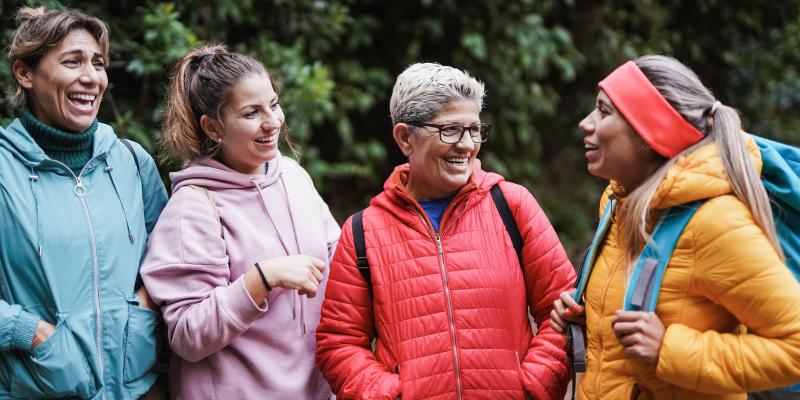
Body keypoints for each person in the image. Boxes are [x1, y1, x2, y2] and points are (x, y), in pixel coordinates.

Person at [316, 62, 576, 399]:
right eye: (450, 130)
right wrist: (389, 395)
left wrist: (532, 386)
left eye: (475, 129)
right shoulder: (363, 231)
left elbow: (565, 306)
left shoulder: (512, 205)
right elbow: (339, 343)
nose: (467, 145)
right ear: (405, 138)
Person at [551, 55, 800, 399]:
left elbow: (795, 347)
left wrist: (669, 349)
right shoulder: (618, 205)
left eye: (604, 112)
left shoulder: (714, 222)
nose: (585, 123)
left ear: (649, 134)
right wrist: (592, 319)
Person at [140, 44, 340, 399]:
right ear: (212, 127)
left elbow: (337, 258)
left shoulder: (292, 175)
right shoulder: (192, 208)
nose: (273, 122)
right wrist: (261, 279)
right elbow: (187, 335)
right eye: (251, 113)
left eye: (273, 105)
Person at [0, 6, 168, 399]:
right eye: (72, 61)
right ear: (24, 73)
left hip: (136, 387)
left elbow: (171, 259)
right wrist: (30, 332)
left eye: (98, 63)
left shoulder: (131, 161)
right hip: (37, 390)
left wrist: (143, 304)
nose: (92, 77)